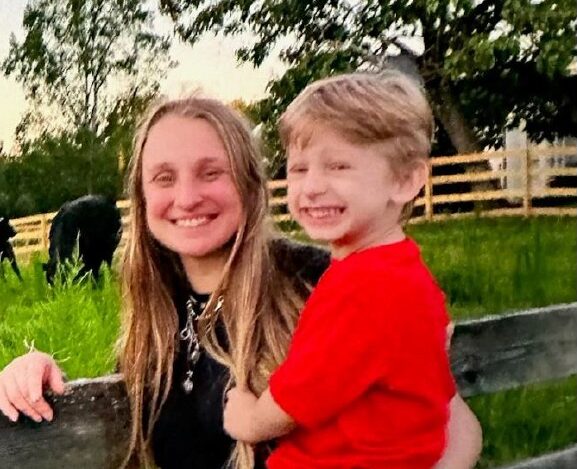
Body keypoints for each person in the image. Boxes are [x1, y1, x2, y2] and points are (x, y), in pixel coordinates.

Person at [0, 95, 481, 469]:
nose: (187, 197)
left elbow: (453, 425)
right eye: (164, 178)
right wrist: (37, 376)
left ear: (250, 185)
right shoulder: (155, 314)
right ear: (143, 200)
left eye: (211, 172)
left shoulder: (328, 284)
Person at [223, 71, 470, 468]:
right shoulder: (406, 271)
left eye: (338, 166)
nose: (312, 187)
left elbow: (303, 390)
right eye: (298, 169)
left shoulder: (363, 286)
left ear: (406, 181)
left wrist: (250, 420)